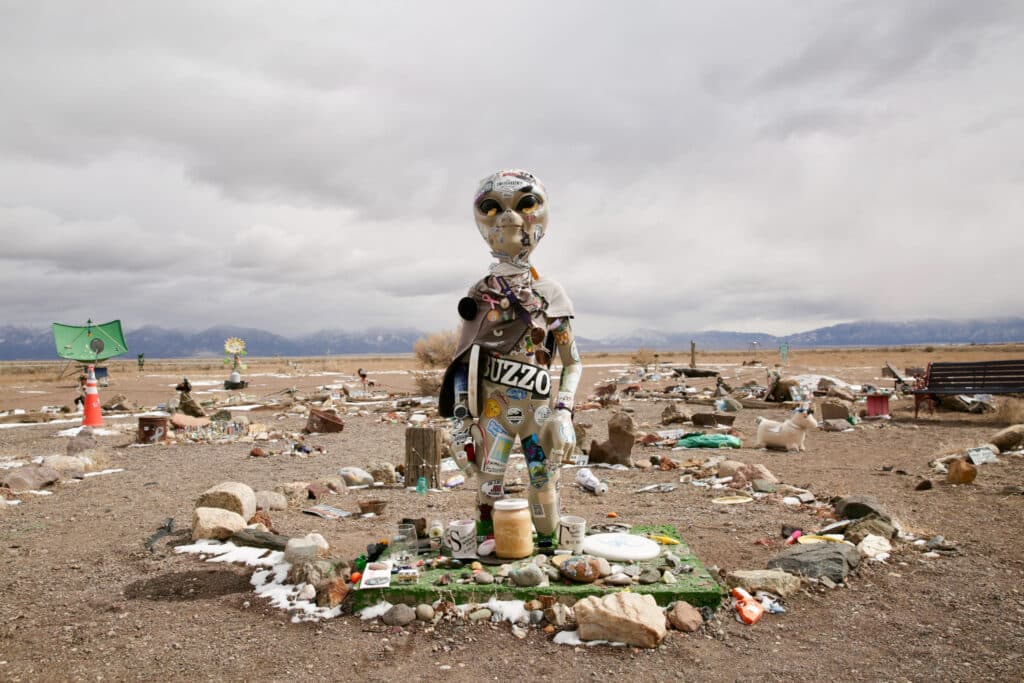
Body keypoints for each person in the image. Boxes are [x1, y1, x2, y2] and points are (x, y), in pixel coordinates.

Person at [439, 169, 582, 551]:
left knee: (544, 486)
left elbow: (572, 361)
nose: (509, 220)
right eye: (494, 209)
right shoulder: (481, 294)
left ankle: (549, 551)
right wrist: (459, 423)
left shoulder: (550, 292)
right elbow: (462, 361)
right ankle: (489, 551)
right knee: (488, 486)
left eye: (524, 206)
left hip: (539, 413)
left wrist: (565, 412)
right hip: (493, 412)